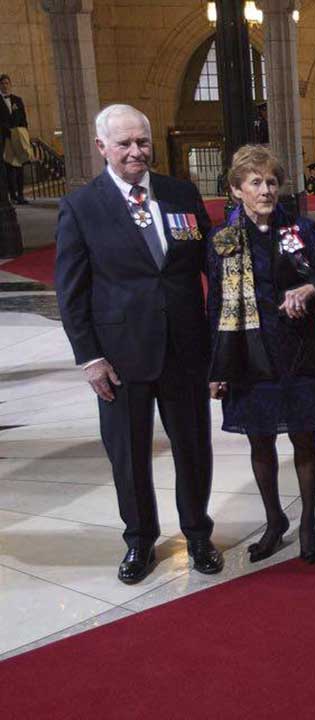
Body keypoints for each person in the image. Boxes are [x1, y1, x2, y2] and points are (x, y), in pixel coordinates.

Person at [54, 104, 223, 584]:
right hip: (119, 358)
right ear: (101, 147)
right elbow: (72, 292)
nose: (135, 152)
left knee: (193, 448)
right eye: (124, 143)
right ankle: (139, 541)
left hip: (185, 350)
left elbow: (210, 263)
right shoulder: (82, 207)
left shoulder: (179, 193)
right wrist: (90, 357)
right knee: (128, 456)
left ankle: (197, 534)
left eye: (142, 142)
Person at [206, 144, 315, 565]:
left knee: (305, 438)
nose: (266, 190)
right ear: (237, 190)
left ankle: (307, 522)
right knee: (260, 442)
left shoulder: (302, 232)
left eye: (272, 181)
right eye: (256, 182)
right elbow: (215, 304)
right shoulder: (222, 241)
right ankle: (275, 521)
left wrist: (311, 289)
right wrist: (215, 368)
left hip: (299, 353)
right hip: (249, 356)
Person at [0, 74, 29, 205]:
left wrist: (24, 135)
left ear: (10, 84)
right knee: (9, 168)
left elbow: (23, 119)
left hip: (18, 138)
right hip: (5, 139)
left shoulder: (17, 100)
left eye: (7, 83)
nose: (5, 85)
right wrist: (8, 131)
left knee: (20, 167)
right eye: (2, 83)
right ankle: (12, 196)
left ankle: (21, 195)